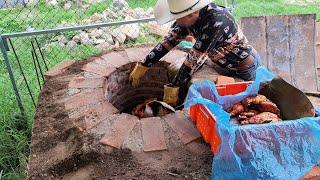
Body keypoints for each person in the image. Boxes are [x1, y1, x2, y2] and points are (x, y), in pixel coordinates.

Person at [129, 0, 261, 107]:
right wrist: (144, 65)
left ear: (193, 12)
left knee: (238, 103)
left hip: (243, 68)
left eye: (178, 18)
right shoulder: (188, 16)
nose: (176, 22)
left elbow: (193, 59)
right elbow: (169, 41)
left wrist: (173, 88)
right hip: (221, 61)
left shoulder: (217, 22)